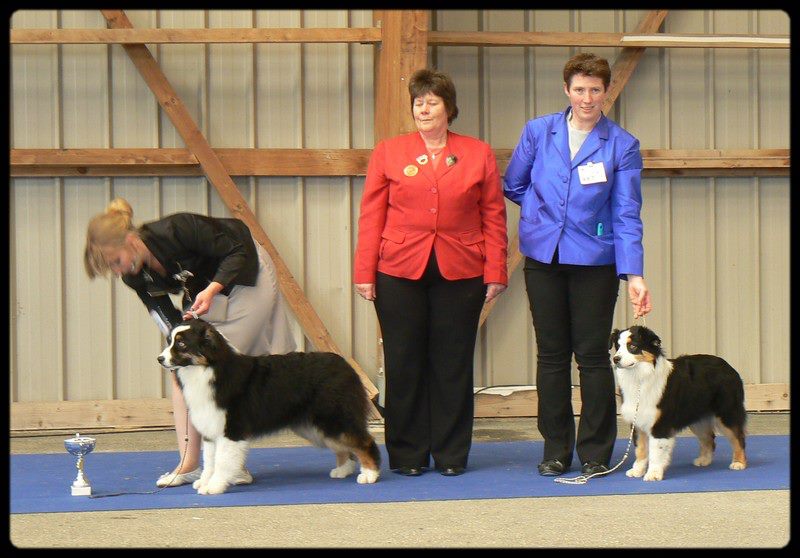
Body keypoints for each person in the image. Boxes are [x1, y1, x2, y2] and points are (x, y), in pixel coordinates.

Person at [503, 53, 652, 477]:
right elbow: (514, 183)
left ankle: (595, 451)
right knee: (551, 356)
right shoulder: (538, 131)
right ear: (566, 90)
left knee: (590, 356)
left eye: (596, 90)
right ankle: (554, 450)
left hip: (595, 262)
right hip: (544, 258)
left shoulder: (622, 145)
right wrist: (540, 215)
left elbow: (627, 213)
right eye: (580, 89)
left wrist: (635, 275)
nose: (587, 98)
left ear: (607, 93)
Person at [354, 68, 508, 477]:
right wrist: (364, 271)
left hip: (462, 269)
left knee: (453, 363)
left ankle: (451, 455)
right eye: (418, 102)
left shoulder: (477, 152)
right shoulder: (389, 151)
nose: (424, 108)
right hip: (398, 270)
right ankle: (407, 455)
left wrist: (496, 271)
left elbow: (494, 214)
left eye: (432, 101)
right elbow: (371, 216)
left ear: (449, 108)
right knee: (404, 363)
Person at [84, 199, 296, 487]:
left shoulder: (179, 229)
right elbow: (162, 313)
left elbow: (238, 249)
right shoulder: (134, 277)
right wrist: (178, 342)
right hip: (206, 293)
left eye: (115, 262)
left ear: (131, 241)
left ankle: (224, 465)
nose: (118, 272)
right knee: (182, 370)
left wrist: (212, 288)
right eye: (112, 269)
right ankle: (192, 464)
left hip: (246, 275)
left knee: (223, 371)